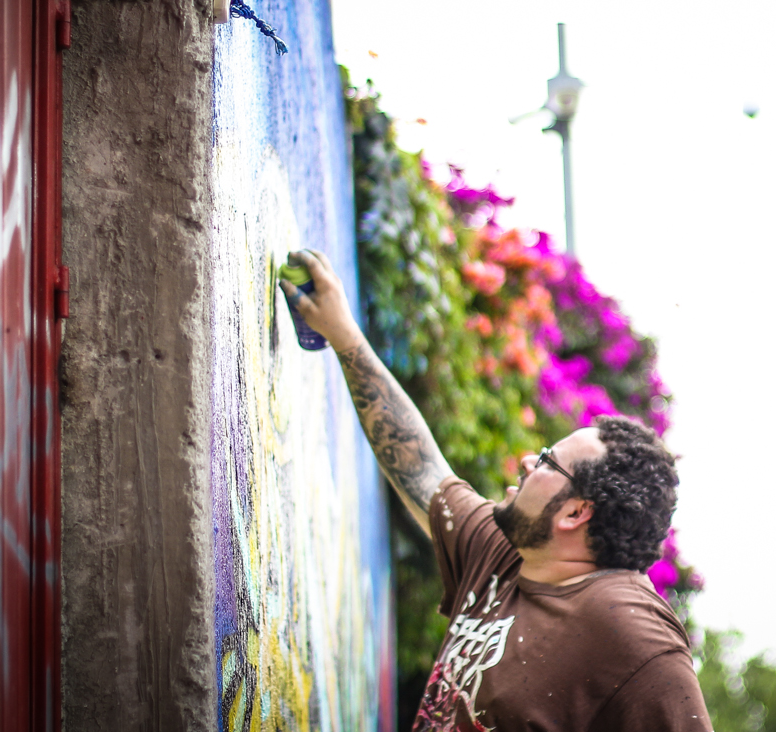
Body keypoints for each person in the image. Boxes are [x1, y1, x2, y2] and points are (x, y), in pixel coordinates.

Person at [280, 249, 713, 732]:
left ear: (575, 513)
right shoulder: (506, 555)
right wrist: (345, 336)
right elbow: (419, 466)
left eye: (547, 460)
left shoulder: (633, 633)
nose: (529, 460)